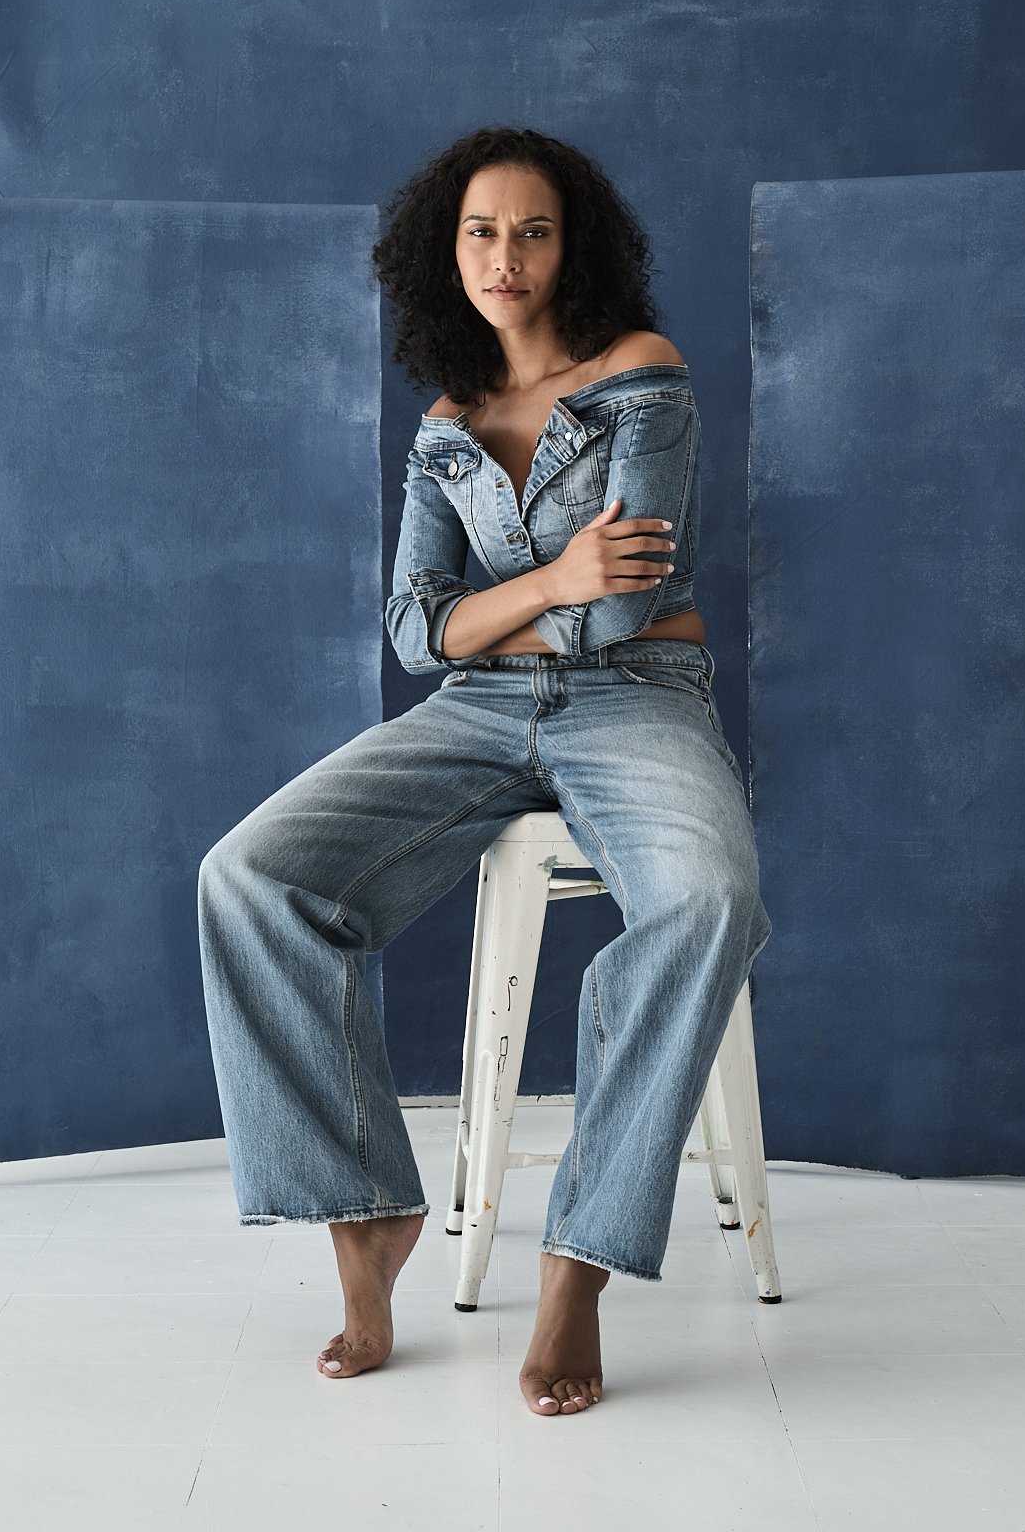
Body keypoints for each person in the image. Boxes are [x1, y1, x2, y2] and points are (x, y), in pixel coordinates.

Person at [196, 125, 772, 1417]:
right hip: (477, 713)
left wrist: (509, 603)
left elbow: (628, 607)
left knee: (710, 902)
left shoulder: (642, 374)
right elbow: (412, 635)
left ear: (576, 248)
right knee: (250, 877)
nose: (502, 256)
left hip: (637, 701)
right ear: (439, 251)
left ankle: (579, 1259)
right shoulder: (446, 421)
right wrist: (558, 580)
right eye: (478, 231)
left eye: (530, 230)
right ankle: (367, 1217)